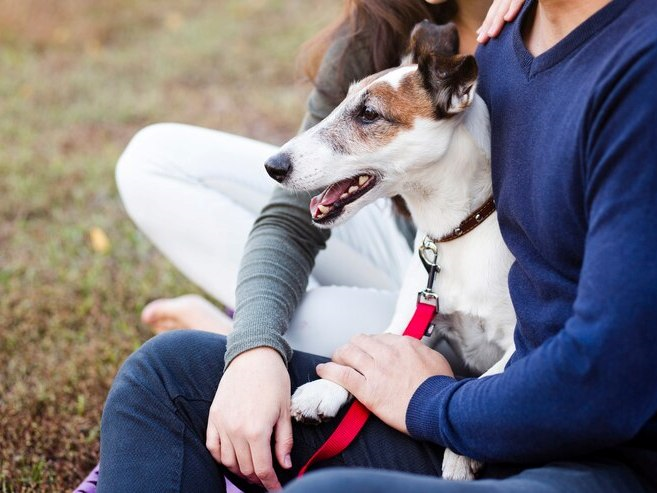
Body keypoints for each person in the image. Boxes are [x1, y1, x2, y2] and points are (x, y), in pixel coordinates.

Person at [97, 0, 657, 492]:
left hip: (570, 439)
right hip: (451, 335)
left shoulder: (628, 72)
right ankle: (238, 328)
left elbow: (604, 374)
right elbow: (294, 216)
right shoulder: (505, 40)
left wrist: (433, 402)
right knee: (163, 376)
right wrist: (254, 344)